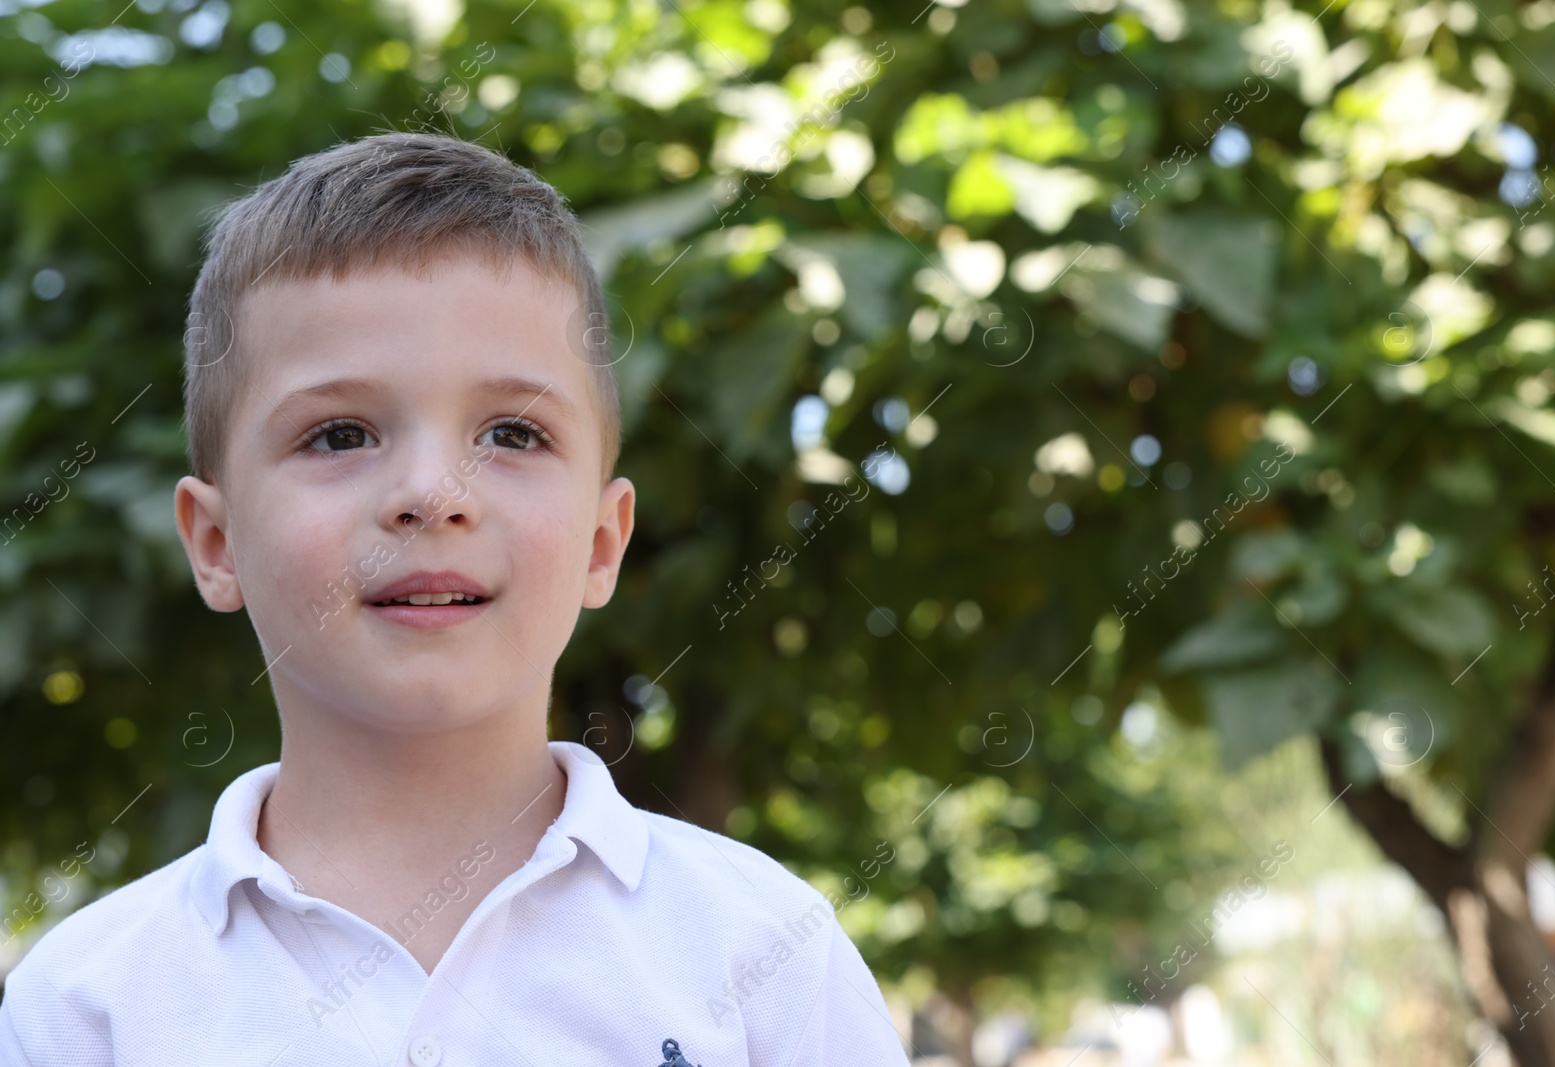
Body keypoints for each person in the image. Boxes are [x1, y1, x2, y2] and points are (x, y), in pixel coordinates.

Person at [0, 132, 911, 1066]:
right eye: (340, 433)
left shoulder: (764, 950)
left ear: (603, 542)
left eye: (512, 433)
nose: (433, 492)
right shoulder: (87, 1005)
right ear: (217, 544)